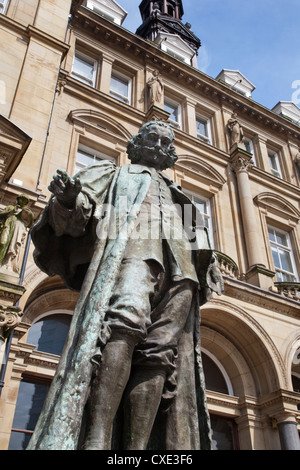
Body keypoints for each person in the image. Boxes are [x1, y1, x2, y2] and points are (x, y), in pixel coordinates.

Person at [28, 121, 223, 451]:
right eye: (153, 138)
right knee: (122, 327)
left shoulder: (182, 197)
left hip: (182, 274)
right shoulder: (117, 174)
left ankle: (137, 449)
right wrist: (68, 200)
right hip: (134, 254)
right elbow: (80, 212)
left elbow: (199, 243)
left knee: (160, 355)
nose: (160, 144)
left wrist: (210, 266)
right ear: (138, 143)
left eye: (166, 141)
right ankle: (97, 438)